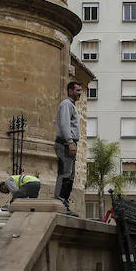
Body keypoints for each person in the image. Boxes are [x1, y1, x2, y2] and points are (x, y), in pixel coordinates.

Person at [55, 81, 82, 213]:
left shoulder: (71, 105)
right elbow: (65, 124)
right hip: (65, 144)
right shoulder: (66, 104)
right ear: (70, 91)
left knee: (70, 175)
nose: (80, 93)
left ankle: (64, 203)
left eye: (80, 90)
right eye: (78, 90)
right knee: (65, 174)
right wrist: (70, 142)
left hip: (69, 144)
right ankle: (59, 201)